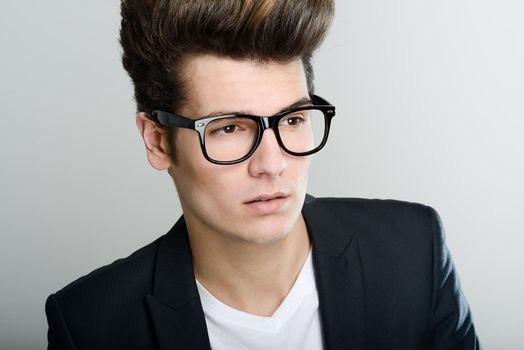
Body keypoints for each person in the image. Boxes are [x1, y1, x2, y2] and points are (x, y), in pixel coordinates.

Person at [45, 0, 482, 349]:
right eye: (230, 128)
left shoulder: (414, 251)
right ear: (159, 142)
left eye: (292, 120)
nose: (272, 164)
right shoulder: (90, 325)